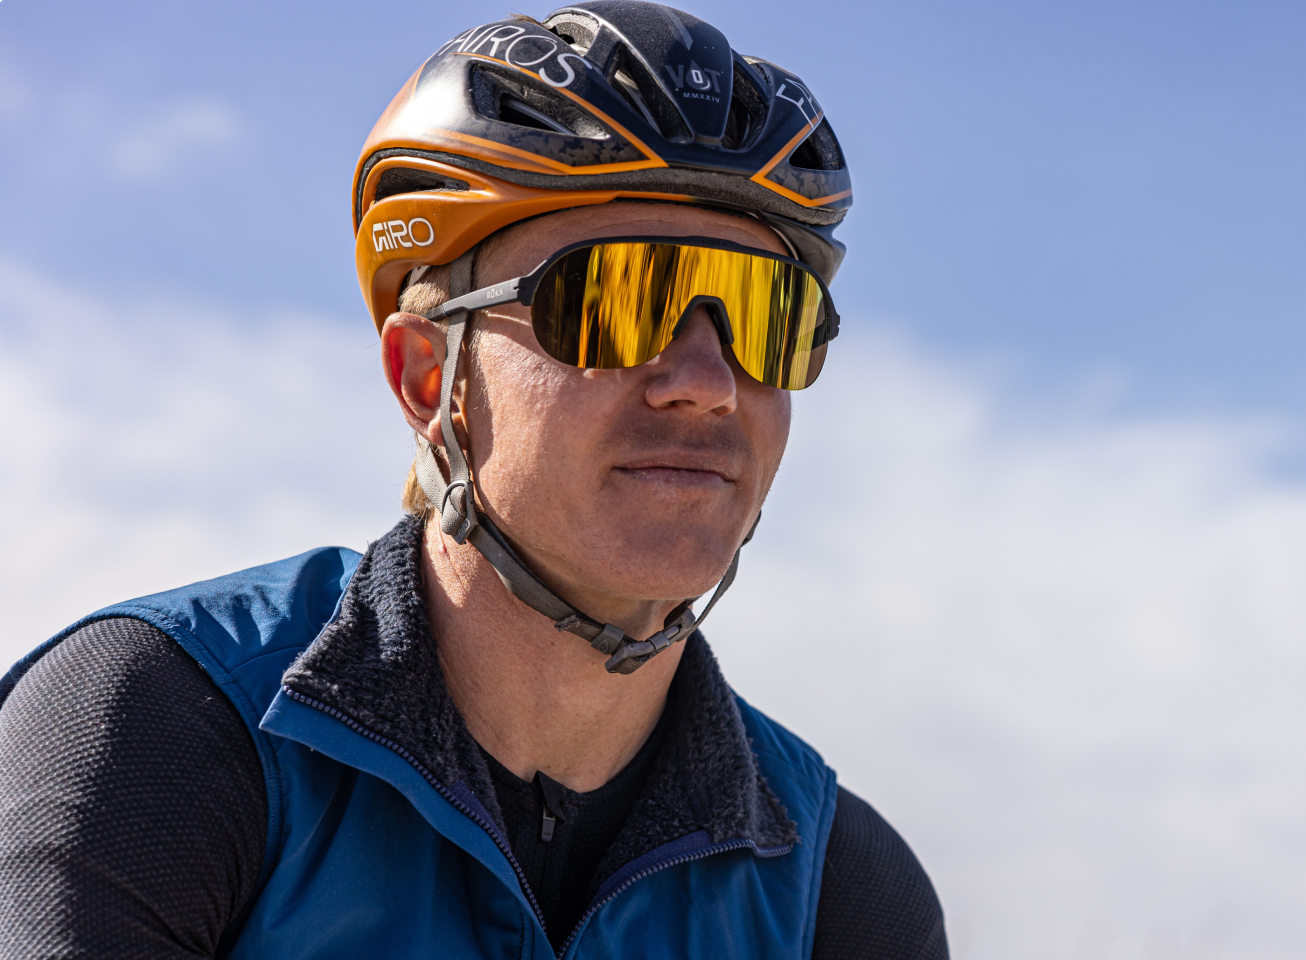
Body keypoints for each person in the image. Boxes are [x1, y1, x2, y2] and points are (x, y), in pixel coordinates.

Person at [0, 3, 948, 957]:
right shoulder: (153, 730)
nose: (704, 386)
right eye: (616, 302)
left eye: (767, 318)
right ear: (427, 379)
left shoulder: (843, 891)